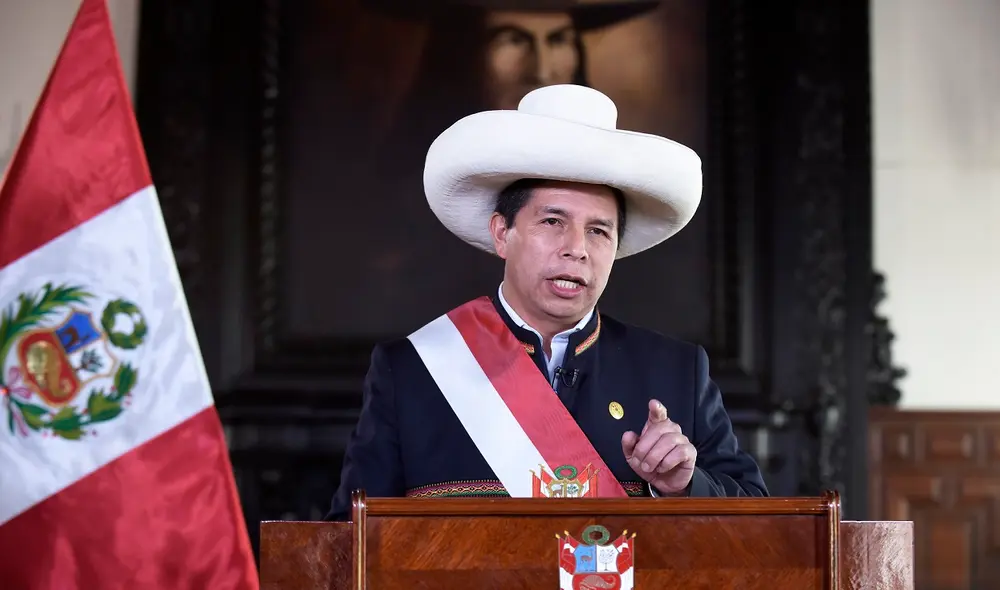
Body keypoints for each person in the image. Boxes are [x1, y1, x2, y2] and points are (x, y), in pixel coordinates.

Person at [328, 83, 766, 520]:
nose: (576, 248)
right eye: (553, 221)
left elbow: (765, 526)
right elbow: (347, 542)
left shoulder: (677, 371)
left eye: (598, 231)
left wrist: (685, 487)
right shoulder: (412, 370)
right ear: (502, 233)